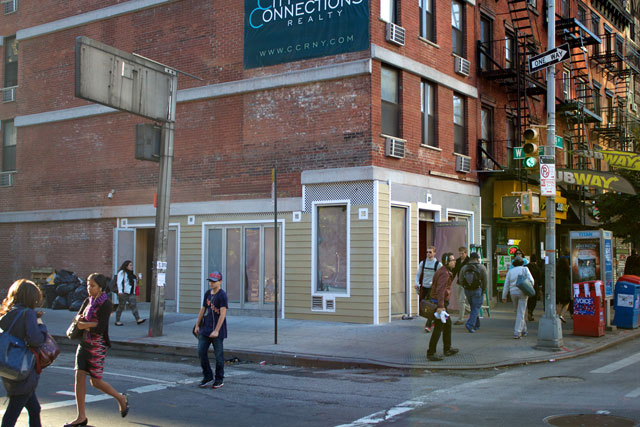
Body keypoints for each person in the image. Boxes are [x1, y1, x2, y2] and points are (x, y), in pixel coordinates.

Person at [65, 273, 129, 427]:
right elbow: (78, 317)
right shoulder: (88, 301)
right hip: (83, 344)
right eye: (87, 284)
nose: (89, 288)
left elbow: (101, 327)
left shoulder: (106, 304)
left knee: (96, 382)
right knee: (79, 377)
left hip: (97, 346)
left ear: (100, 288)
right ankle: (81, 417)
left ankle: (120, 398)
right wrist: (79, 321)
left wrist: (85, 325)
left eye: (92, 285)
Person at [0, 279, 48, 427]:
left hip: (9, 366)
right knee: (13, 412)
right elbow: (36, 340)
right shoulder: (28, 314)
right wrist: (41, 326)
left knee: (34, 408)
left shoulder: (8, 313)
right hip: (23, 369)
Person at [194, 271, 228, 389]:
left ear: (220, 282)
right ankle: (207, 376)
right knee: (201, 351)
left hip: (217, 331)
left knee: (219, 356)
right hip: (206, 328)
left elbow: (223, 314)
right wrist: (197, 325)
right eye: (210, 281)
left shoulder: (222, 295)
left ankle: (219, 379)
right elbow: (203, 309)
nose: (211, 284)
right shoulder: (208, 294)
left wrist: (217, 330)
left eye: (214, 281)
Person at [426, 253, 459, 361]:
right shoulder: (444, 273)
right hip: (440, 303)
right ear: (446, 262)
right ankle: (431, 352)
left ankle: (447, 348)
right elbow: (440, 290)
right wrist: (441, 306)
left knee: (447, 324)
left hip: (440, 302)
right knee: (439, 327)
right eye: (452, 260)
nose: (454, 261)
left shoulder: (443, 271)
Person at [502, 256, 534, 339]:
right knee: (521, 312)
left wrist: (504, 296)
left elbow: (506, 284)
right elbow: (531, 280)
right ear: (522, 263)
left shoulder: (510, 271)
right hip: (523, 291)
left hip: (513, 293)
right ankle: (517, 332)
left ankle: (524, 330)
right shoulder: (525, 269)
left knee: (518, 312)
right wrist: (530, 287)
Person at [458, 252, 487, 333]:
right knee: (476, 307)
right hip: (477, 289)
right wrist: (483, 289)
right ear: (477, 259)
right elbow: (485, 280)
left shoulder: (464, 267)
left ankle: (476, 324)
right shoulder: (481, 267)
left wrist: (465, 286)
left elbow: (460, 279)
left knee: (473, 307)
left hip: (467, 290)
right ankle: (470, 324)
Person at [414, 246, 440, 333]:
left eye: (430, 252)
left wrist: (435, 284)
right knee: (424, 304)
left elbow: (442, 276)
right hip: (424, 287)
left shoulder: (438, 264)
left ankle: (428, 325)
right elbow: (418, 274)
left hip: (433, 288)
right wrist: (416, 283)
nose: (428, 254)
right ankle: (435, 320)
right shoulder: (423, 262)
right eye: (427, 252)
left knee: (430, 307)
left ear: (434, 253)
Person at [114, 260, 146, 326]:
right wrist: (120, 291)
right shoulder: (122, 272)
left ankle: (138, 319)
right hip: (123, 293)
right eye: (130, 265)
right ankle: (117, 321)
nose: (132, 266)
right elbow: (119, 282)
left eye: (132, 265)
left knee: (134, 305)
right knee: (121, 306)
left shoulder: (132, 274)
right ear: (126, 266)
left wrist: (139, 280)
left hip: (131, 293)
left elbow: (133, 283)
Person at [452, 246, 470, 325]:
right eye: (460, 253)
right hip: (459, 282)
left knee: (461, 300)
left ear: (466, 253)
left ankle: (461, 319)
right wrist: (450, 281)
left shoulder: (469, 261)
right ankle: (470, 310)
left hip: (466, 284)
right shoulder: (458, 261)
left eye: (462, 253)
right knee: (460, 301)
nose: (461, 255)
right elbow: (454, 271)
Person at [526, 254, 543, 322]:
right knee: (534, 299)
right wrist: (540, 286)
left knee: (528, 299)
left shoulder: (527, 267)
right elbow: (539, 278)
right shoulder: (537, 268)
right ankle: (531, 311)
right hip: (535, 285)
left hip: (527, 285)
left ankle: (529, 310)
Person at [556, 255, 571, 323]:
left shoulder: (557, 270)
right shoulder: (567, 270)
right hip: (566, 288)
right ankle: (562, 315)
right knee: (567, 303)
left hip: (559, 288)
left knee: (560, 303)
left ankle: (557, 316)